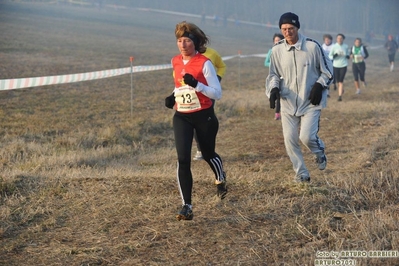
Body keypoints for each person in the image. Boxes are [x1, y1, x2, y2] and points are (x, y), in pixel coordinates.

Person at [164, 21, 227, 220]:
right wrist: (172, 96)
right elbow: (180, 85)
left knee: (208, 153)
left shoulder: (204, 63)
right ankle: (187, 206)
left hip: (203, 116)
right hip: (182, 115)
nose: (183, 45)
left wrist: (197, 84)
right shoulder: (175, 61)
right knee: (183, 159)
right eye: (180, 41)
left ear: (195, 42)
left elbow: (217, 93)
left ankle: (220, 177)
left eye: (187, 41)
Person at [265, 12, 333, 182]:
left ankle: (319, 152)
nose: (288, 32)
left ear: (297, 28)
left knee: (307, 137)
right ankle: (301, 174)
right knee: (290, 140)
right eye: (284, 29)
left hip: (311, 100)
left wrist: (319, 85)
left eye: (291, 28)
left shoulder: (312, 47)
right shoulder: (277, 50)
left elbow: (328, 71)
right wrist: (273, 89)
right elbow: (273, 74)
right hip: (288, 102)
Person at [193, 45, 226, 161]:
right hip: (192, 93)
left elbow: (222, 66)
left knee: (206, 121)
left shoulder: (212, 53)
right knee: (193, 121)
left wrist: (217, 78)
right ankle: (199, 149)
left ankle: (209, 149)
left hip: (208, 92)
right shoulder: (188, 54)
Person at [264, 33, 284, 120]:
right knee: (276, 93)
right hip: (274, 75)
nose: (277, 42)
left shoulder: (285, 51)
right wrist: (273, 65)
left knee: (281, 94)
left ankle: (278, 113)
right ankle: (277, 112)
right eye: (276, 41)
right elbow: (266, 62)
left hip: (284, 75)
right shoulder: (271, 51)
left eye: (279, 41)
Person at [329, 33, 349, 101]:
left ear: (343, 39)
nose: (339, 40)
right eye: (338, 38)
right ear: (336, 39)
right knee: (337, 81)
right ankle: (341, 89)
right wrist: (335, 55)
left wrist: (346, 55)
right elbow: (330, 56)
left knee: (341, 81)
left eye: (341, 38)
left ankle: (340, 96)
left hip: (343, 65)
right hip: (336, 65)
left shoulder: (346, 46)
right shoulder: (334, 46)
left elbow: (348, 55)